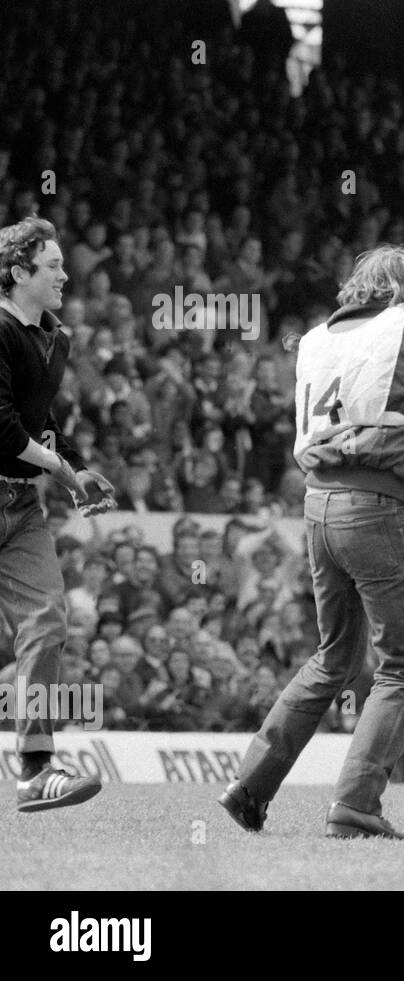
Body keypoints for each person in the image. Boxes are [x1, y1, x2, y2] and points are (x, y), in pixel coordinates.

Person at [218, 244, 404, 838]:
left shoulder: (318, 336)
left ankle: (249, 785)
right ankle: (356, 804)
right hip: (377, 505)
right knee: (401, 667)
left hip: (317, 505)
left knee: (334, 657)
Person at [0, 217, 116, 812]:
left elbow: (37, 424)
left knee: (47, 623)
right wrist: (63, 470)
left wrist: (76, 467)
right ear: (19, 274)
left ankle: (36, 770)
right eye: (52, 266)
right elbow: (0, 427)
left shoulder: (55, 337)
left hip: (21, 505)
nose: (66, 274)